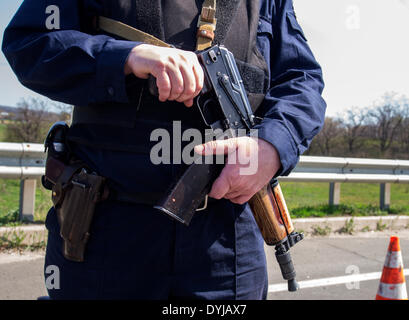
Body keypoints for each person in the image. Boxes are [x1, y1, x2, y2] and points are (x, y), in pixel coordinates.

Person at [2, 0, 326, 299]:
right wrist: (125, 57)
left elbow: (301, 78)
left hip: (226, 243)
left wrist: (273, 145)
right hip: (104, 234)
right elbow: (28, 44)